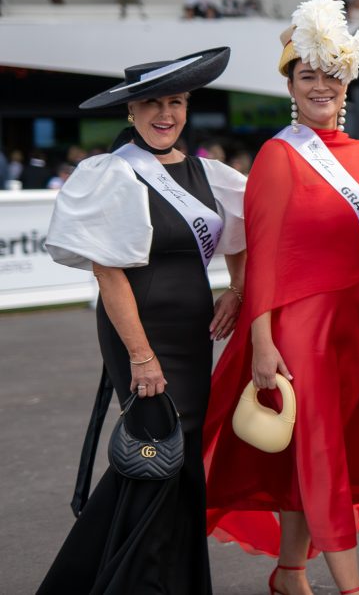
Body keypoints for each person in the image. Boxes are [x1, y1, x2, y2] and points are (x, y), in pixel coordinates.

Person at [204, 0, 359, 595]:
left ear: (347, 83)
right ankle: (350, 588)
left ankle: (290, 572)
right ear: (291, 83)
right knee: (320, 458)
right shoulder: (276, 155)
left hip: (356, 333)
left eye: (331, 76)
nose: (321, 87)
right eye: (308, 76)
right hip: (298, 337)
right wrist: (260, 344)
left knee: (324, 454)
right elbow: (261, 256)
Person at [37, 47, 246, 594]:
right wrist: (140, 355)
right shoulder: (111, 173)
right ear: (130, 112)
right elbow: (109, 275)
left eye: (175, 102)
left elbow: (243, 234)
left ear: (187, 107)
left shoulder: (208, 173)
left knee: (177, 457)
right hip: (141, 335)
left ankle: (171, 581)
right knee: (152, 452)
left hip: (193, 335)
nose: (165, 114)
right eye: (151, 103)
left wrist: (238, 288)